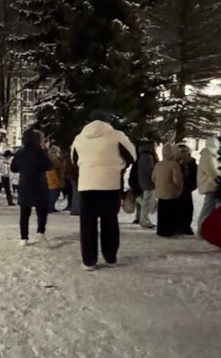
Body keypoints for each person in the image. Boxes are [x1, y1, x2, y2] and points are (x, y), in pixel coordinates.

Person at [70, 111, 136, 269]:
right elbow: (132, 157)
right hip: (110, 185)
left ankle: (89, 261)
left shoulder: (79, 138)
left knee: (87, 225)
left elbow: (74, 160)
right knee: (110, 222)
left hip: (86, 186)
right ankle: (110, 257)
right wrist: (119, 165)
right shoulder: (117, 136)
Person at [11, 128, 52, 246]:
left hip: (25, 185)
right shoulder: (40, 152)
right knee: (41, 210)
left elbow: (13, 168)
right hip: (39, 184)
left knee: (24, 213)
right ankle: (40, 231)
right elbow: (48, 166)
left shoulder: (19, 153)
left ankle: (24, 238)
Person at [152, 144, 184, 238]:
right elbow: (176, 180)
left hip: (160, 191)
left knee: (161, 212)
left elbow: (153, 177)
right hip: (171, 192)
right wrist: (179, 186)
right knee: (171, 212)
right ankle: (169, 231)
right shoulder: (174, 165)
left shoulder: (158, 164)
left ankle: (161, 230)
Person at [196, 140, 221, 230]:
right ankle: (202, 228)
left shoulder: (210, 156)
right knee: (208, 209)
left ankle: (207, 228)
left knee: (210, 208)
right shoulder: (209, 157)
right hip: (211, 185)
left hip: (212, 185)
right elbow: (213, 172)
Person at [176, 145, 198, 236]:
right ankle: (178, 226)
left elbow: (194, 176)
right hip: (177, 189)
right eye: (181, 152)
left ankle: (186, 226)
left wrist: (192, 186)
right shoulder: (175, 163)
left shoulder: (192, 163)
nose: (183, 154)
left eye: (184, 151)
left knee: (187, 208)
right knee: (178, 208)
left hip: (187, 188)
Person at [135, 141, 158, 229]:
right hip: (149, 183)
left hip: (144, 182)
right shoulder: (148, 157)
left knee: (148, 202)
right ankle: (144, 221)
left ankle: (144, 220)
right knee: (147, 203)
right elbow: (150, 170)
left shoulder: (142, 156)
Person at [44, 144, 64, 212]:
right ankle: (50, 207)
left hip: (52, 180)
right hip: (52, 180)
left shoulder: (52, 159)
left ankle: (50, 207)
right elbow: (53, 172)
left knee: (53, 194)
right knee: (53, 194)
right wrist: (57, 181)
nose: (59, 153)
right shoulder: (53, 160)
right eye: (58, 152)